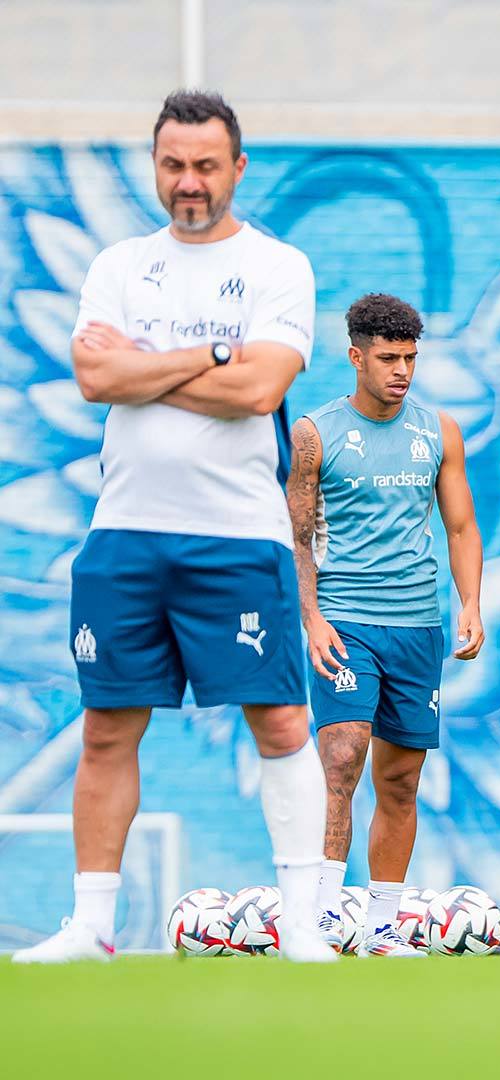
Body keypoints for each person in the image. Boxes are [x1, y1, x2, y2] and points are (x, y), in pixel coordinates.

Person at [17, 90, 333, 963]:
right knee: (108, 726)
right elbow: (91, 376)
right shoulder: (118, 264)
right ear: (155, 167)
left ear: (237, 167)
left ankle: (301, 921)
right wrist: (215, 353)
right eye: (172, 165)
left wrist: (144, 369)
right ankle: (92, 927)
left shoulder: (279, 266)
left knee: (276, 722)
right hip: (124, 532)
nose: (188, 182)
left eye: (204, 165)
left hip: (239, 535)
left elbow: (260, 391)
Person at [286, 293, 485, 957]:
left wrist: (470, 602)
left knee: (400, 781)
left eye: (410, 358)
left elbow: (460, 524)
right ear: (355, 356)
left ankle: (380, 926)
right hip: (346, 623)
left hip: (418, 628)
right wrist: (310, 618)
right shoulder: (316, 434)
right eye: (389, 357)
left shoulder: (440, 432)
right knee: (342, 757)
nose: (402, 370)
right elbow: (297, 536)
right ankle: (315, 916)